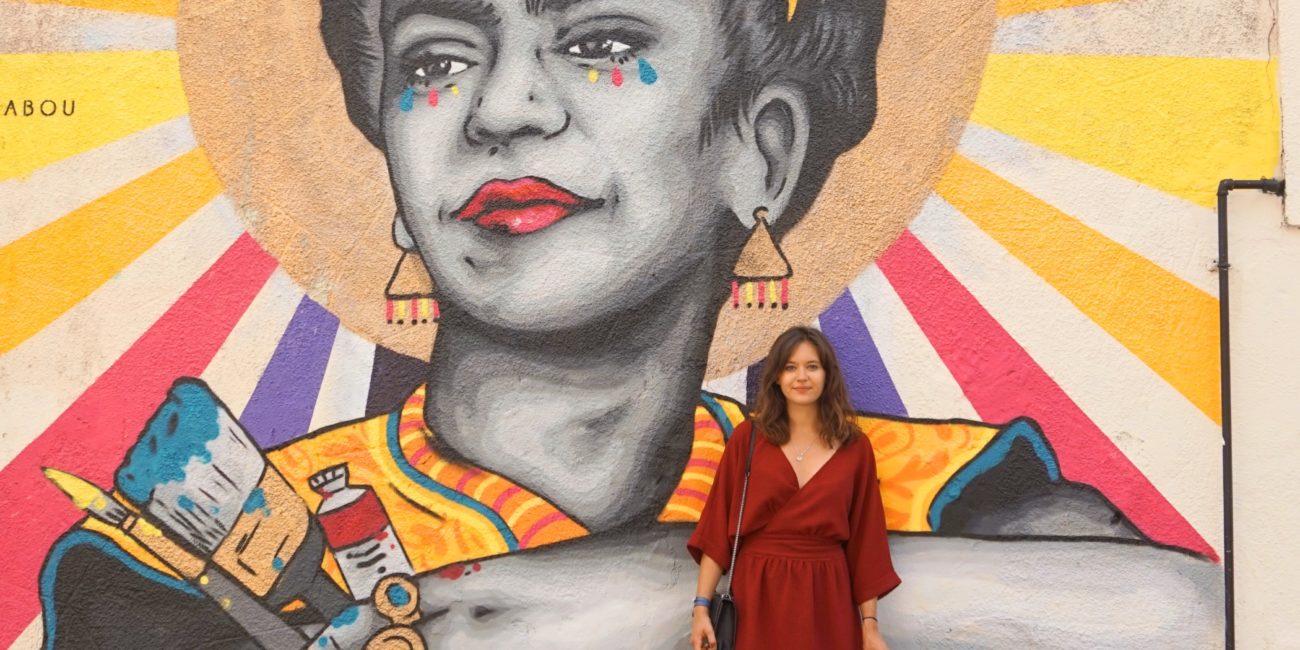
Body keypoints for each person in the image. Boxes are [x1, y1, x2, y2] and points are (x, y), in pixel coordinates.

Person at [39, 0, 1140, 646]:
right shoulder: (184, 568)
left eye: (602, 39)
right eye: (436, 59)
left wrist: (693, 589)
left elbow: (1192, 617)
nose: (503, 108)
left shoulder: (938, 495)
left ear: (762, 152)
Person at [689, 327, 899, 650]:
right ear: (776, 376)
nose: (801, 376)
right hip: (756, 594)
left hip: (828, 597)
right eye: (790, 367)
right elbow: (717, 531)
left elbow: (866, 543)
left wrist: (869, 626)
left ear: (827, 375)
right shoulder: (748, 439)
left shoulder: (855, 448)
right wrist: (701, 607)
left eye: (812, 366)